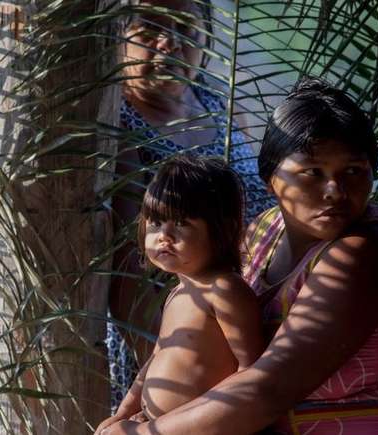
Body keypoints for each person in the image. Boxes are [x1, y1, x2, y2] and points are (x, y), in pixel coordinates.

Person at [101, 77, 378, 434]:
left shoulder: (365, 252)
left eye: (354, 171)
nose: (335, 190)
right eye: (313, 172)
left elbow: (268, 388)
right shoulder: (266, 231)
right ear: (270, 179)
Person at [107, 0, 275, 412]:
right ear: (116, 37)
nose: (170, 43)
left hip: (244, 328)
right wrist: (180, 366)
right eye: (148, 29)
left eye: (186, 27)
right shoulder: (117, 123)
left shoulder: (216, 102)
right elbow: (127, 265)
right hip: (171, 348)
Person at [97, 155, 265, 434]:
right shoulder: (179, 291)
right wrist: (124, 412)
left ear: (223, 228)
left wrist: (169, 423)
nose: (164, 235)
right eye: (155, 224)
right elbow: (158, 356)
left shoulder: (223, 290)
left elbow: (251, 372)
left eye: (182, 224)